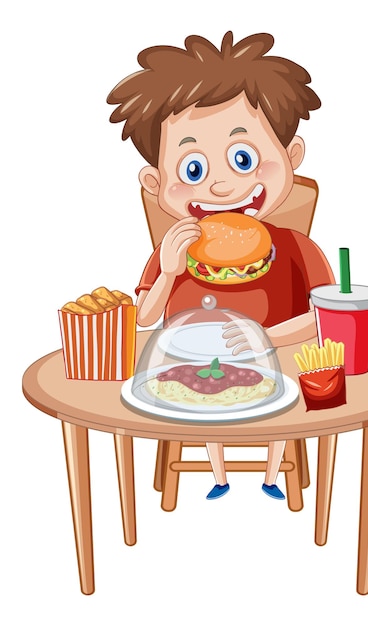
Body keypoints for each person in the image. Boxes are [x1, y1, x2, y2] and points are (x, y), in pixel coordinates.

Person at [107, 31, 334, 501]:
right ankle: (220, 474)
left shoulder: (294, 248)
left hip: (279, 368)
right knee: (200, 403)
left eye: (244, 158)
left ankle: (273, 473)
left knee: (281, 405)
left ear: (291, 158)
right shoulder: (175, 247)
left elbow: (323, 317)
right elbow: (144, 321)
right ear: (156, 182)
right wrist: (169, 272)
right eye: (193, 170)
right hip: (187, 370)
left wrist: (269, 339)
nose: (225, 186)